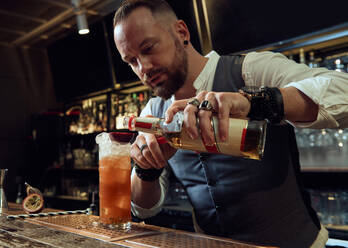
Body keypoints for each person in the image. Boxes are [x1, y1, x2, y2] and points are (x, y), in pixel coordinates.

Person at [113, 0, 348, 247]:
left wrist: (254, 102)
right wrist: (146, 169)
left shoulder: (250, 70)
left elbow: (343, 90)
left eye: (148, 48)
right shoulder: (153, 111)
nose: (144, 68)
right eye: (131, 61)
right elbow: (143, 209)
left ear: (181, 32)